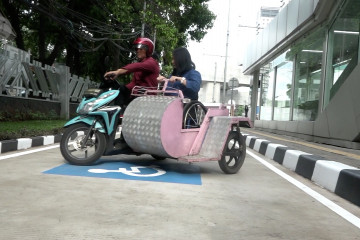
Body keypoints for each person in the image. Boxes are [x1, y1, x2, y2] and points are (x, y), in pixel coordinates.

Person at [103, 37, 160, 109]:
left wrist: (118, 72)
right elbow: (134, 83)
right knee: (120, 90)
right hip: (137, 95)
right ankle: (118, 114)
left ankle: (118, 114)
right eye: (137, 49)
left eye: (141, 49)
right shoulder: (141, 64)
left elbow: (135, 66)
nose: (138, 51)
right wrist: (122, 87)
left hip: (146, 97)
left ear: (148, 50)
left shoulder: (151, 63)